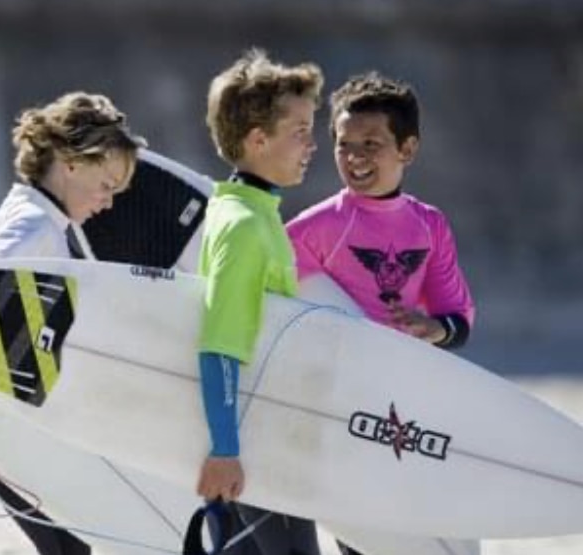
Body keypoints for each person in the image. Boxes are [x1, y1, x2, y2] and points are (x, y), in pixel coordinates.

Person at [0, 91, 146, 555]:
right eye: (106, 184)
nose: (107, 201)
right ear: (70, 162)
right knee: (64, 546)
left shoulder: (45, 219)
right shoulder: (34, 227)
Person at [286, 71, 476, 555]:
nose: (355, 157)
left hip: (408, 399)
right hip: (341, 405)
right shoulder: (313, 229)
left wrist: (434, 329)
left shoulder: (429, 224)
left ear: (406, 149)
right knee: (362, 538)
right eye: (344, 144)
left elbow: (460, 316)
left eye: (371, 143)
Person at [195, 48, 325, 555]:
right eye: (300, 131)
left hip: (265, 436)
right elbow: (219, 345)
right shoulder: (245, 227)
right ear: (257, 140)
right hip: (252, 442)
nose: (312, 145)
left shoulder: (251, 210)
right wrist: (225, 449)